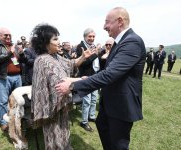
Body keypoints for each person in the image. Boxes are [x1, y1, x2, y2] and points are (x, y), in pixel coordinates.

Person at [55, 7, 146, 150]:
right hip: (111, 103)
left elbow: (109, 75)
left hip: (121, 105)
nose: (104, 26)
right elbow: (108, 72)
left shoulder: (132, 42)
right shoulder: (120, 42)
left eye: (107, 22)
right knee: (103, 127)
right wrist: (79, 79)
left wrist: (72, 86)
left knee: (118, 145)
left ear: (120, 21)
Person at [30, 23, 95, 150]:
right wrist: (81, 79)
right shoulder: (43, 60)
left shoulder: (56, 57)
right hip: (50, 107)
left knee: (63, 133)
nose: (59, 42)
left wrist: (82, 57)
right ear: (45, 43)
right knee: (54, 136)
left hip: (60, 104)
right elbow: (60, 81)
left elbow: (70, 64)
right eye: (55, 39)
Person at [0, 27, 26, 132]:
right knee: (3, 101)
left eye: (9, 35)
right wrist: (9, 53)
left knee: (19, 100)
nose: (8, 37)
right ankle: (4, 123)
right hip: (3, 77)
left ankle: (18, 119)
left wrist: (22, 53)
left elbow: (24, 61)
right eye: (6, 35)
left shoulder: (14, 46)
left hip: (17, 77)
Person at [75, 28, 100, 132]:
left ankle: (92, 116)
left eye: (93, 36)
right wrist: (95, 54)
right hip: (85, 77)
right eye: (90, 36)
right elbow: (83, 63)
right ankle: (84, 122)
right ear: (84, 36)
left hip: (94, 76)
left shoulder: (93, 46)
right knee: (87, 101)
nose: (92, 38)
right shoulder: (80, 47)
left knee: (94, 99)